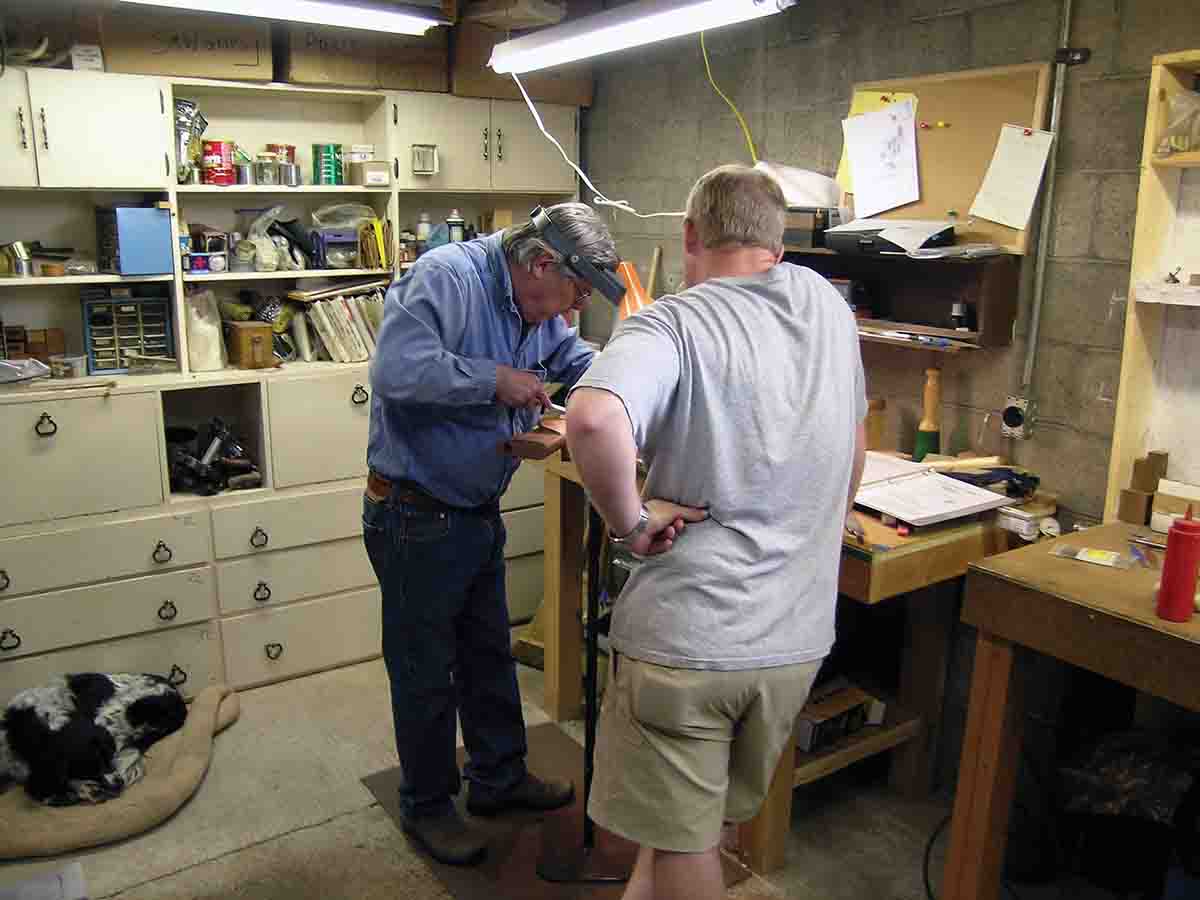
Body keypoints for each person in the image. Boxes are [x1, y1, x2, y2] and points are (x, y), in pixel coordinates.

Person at [565, 165, 868, 900]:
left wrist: (631, 525)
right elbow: (853, 450)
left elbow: (594, 418)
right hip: (793, 644)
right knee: (685, 834)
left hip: (691, 644)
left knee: (683, 845)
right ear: (778, 243)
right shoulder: (828, 309)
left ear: (691, 236)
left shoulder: (672, 320)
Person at [364, 203, 619, 866]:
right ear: (539, 262)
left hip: (475, 509)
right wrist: (494, 382)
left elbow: (571, 356)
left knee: (487, 655)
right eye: (575, 292)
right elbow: (396, 373)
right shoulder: (445, 278)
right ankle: (426, 807)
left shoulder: (540, 308)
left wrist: (624, 381)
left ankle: (499, 780)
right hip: (414, 514)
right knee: (426, 674)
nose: (571, 309)